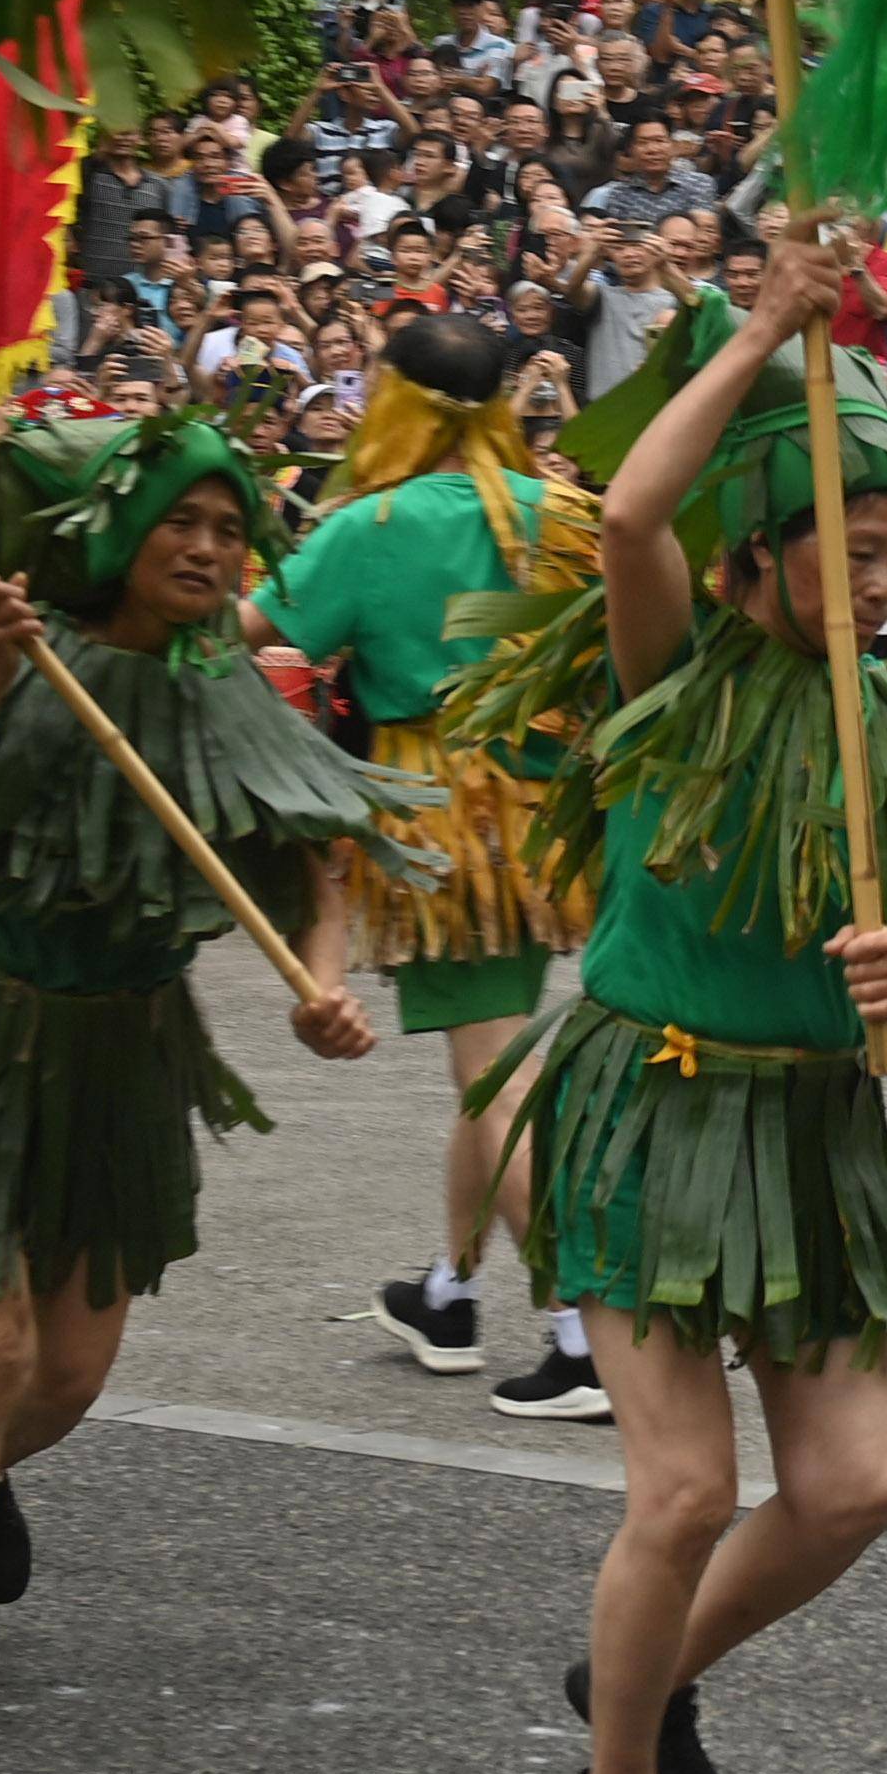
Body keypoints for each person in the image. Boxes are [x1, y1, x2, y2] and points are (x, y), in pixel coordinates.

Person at [473, 232, 887, 1774]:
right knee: (683, 1485)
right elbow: (631, 516)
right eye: (851, 551)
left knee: (853, 1484)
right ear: (763, 557)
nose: (882, 583)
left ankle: (638, 1679)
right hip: (642, 1107)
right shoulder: (670, 663)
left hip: (811, 1137)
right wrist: (763, 333)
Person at [0, 417, 399, 1738]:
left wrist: (325, 986)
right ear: (123, 534)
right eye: (183, 519)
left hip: (127, 1047)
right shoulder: (30, 654)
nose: (208, 546)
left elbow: (322, 869)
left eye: (230, 529)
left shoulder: (233, 687)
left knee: (63, 1378)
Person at [277, 312, 611, 1419]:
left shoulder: (367, 524)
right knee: (491, 1060)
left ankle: (580, 1336)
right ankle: (450, 1292)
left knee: (493, 1074)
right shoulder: (559, 511)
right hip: (547, 815)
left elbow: (252, 632)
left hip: (434, 822)